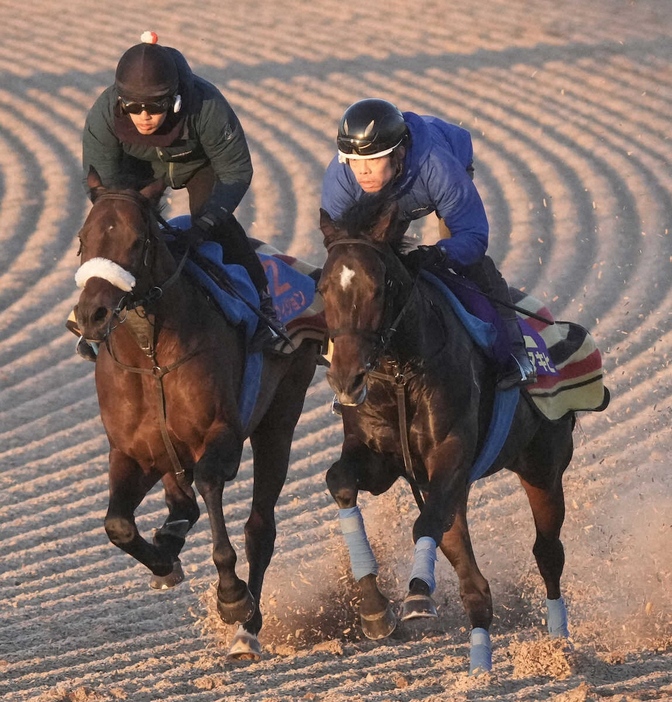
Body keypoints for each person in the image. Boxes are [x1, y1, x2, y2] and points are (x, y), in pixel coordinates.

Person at [74, 31, 284, 359]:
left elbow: (236, 170)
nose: (144, 116)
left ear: (174, 100)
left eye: (155, 106)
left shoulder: (208, 104)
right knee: (116, 234)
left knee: (218, 228)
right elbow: (102, 188)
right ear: (120, 101)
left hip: (200, 167)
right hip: (137, 172)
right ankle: (94, 312)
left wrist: (206, 222)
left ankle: (265, 307)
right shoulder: (103, 114)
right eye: (133, 107)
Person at [321, 98, 536, 389]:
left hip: (431, 182)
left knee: (472, 267)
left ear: (398, 154)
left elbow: (473, 236)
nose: (363, 172)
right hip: (389, 197)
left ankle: (514, 353)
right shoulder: (341, 180)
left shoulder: (438, 166)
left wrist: (438, 253)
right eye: (354, 161)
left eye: (373, 159)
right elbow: (342, 248)